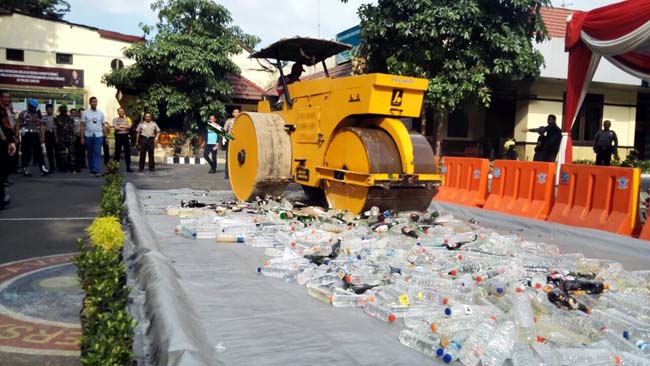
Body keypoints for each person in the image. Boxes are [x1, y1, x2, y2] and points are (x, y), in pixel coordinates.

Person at [17, 98, 49, 176]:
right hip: (26, 134)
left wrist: (42, 136)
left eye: (35, 107)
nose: (33, 108)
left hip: (35, 134)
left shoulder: (38, 114)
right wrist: (17, 135)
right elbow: (17, 125)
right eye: (32, 106)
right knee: (26, 152)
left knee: (39, 152)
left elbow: (41, 125)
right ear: (28, 106)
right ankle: (25, 168)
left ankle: (43, 168)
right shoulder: (23, 113)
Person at [80, 97, 105, 177]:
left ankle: (96, 170)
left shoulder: (100, 113)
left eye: (95, 102)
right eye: (93, 102)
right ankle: (91, 170)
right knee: (90, 153)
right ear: (90, 103)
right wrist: (82, 137)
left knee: (97, 153)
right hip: (88, 135)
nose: (94, 103)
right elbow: (82, 126)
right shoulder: (85, 113)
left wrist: (106, 136)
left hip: (98, 135)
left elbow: (103, 125)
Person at [0, 90, 17, 209]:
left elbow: (10, 126)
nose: (7, 99)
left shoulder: (6, 110)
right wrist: (10, 141)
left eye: (8, 97)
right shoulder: (1, 110)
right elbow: (4, 127)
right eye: (5, 97)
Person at [54, 104, 77, 173]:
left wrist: (74, 136)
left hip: (70, 137)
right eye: (63, 110)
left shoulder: (70, 118)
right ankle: (63, 167)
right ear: (60, 110)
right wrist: (56, 137)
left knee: (72, 153)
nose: (64, 111)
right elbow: (55, 128)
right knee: (62, 153)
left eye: (65, 110)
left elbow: (73, 128)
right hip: (61, 137)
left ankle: (72, 167)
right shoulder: (57, 118)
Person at [112, 107, 133, 172]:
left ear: (124, 112)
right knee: (117, 152)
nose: (121, 112)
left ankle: (128, 167)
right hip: (118, 136)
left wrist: (120, 126)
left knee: (127, 152)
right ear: (118, 112)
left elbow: (129, 126)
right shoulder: (115, 119)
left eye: (122, 111)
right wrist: (124, 128)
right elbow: (116, 128)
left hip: (125, 137)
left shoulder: (127, 119)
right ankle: (115, 168)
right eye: (119, 111)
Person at [223, 108, 239, 179]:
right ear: (232, 113)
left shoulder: (241, 120)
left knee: (237, 158)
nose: (237, 113)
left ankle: (236, 174)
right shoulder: (229, 121)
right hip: (230, 141)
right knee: (228, 157)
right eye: (235, 112)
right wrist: (224, 138)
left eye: (238, 112)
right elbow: (224, 130)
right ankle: (227, 174)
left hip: (238, 141)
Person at [43, 103, 58, 172]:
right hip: (47, 134)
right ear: (46, 110)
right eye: (48, 109)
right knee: (49, 152)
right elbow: (42, 127)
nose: (49, 110)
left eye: (51, 109)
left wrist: (56, 136)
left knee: (57, 151)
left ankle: (59, 165)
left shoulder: (55, 117)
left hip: (54, 134)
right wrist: (42, 137)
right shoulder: (44, 117)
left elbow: (57, 128)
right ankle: (52, 167)